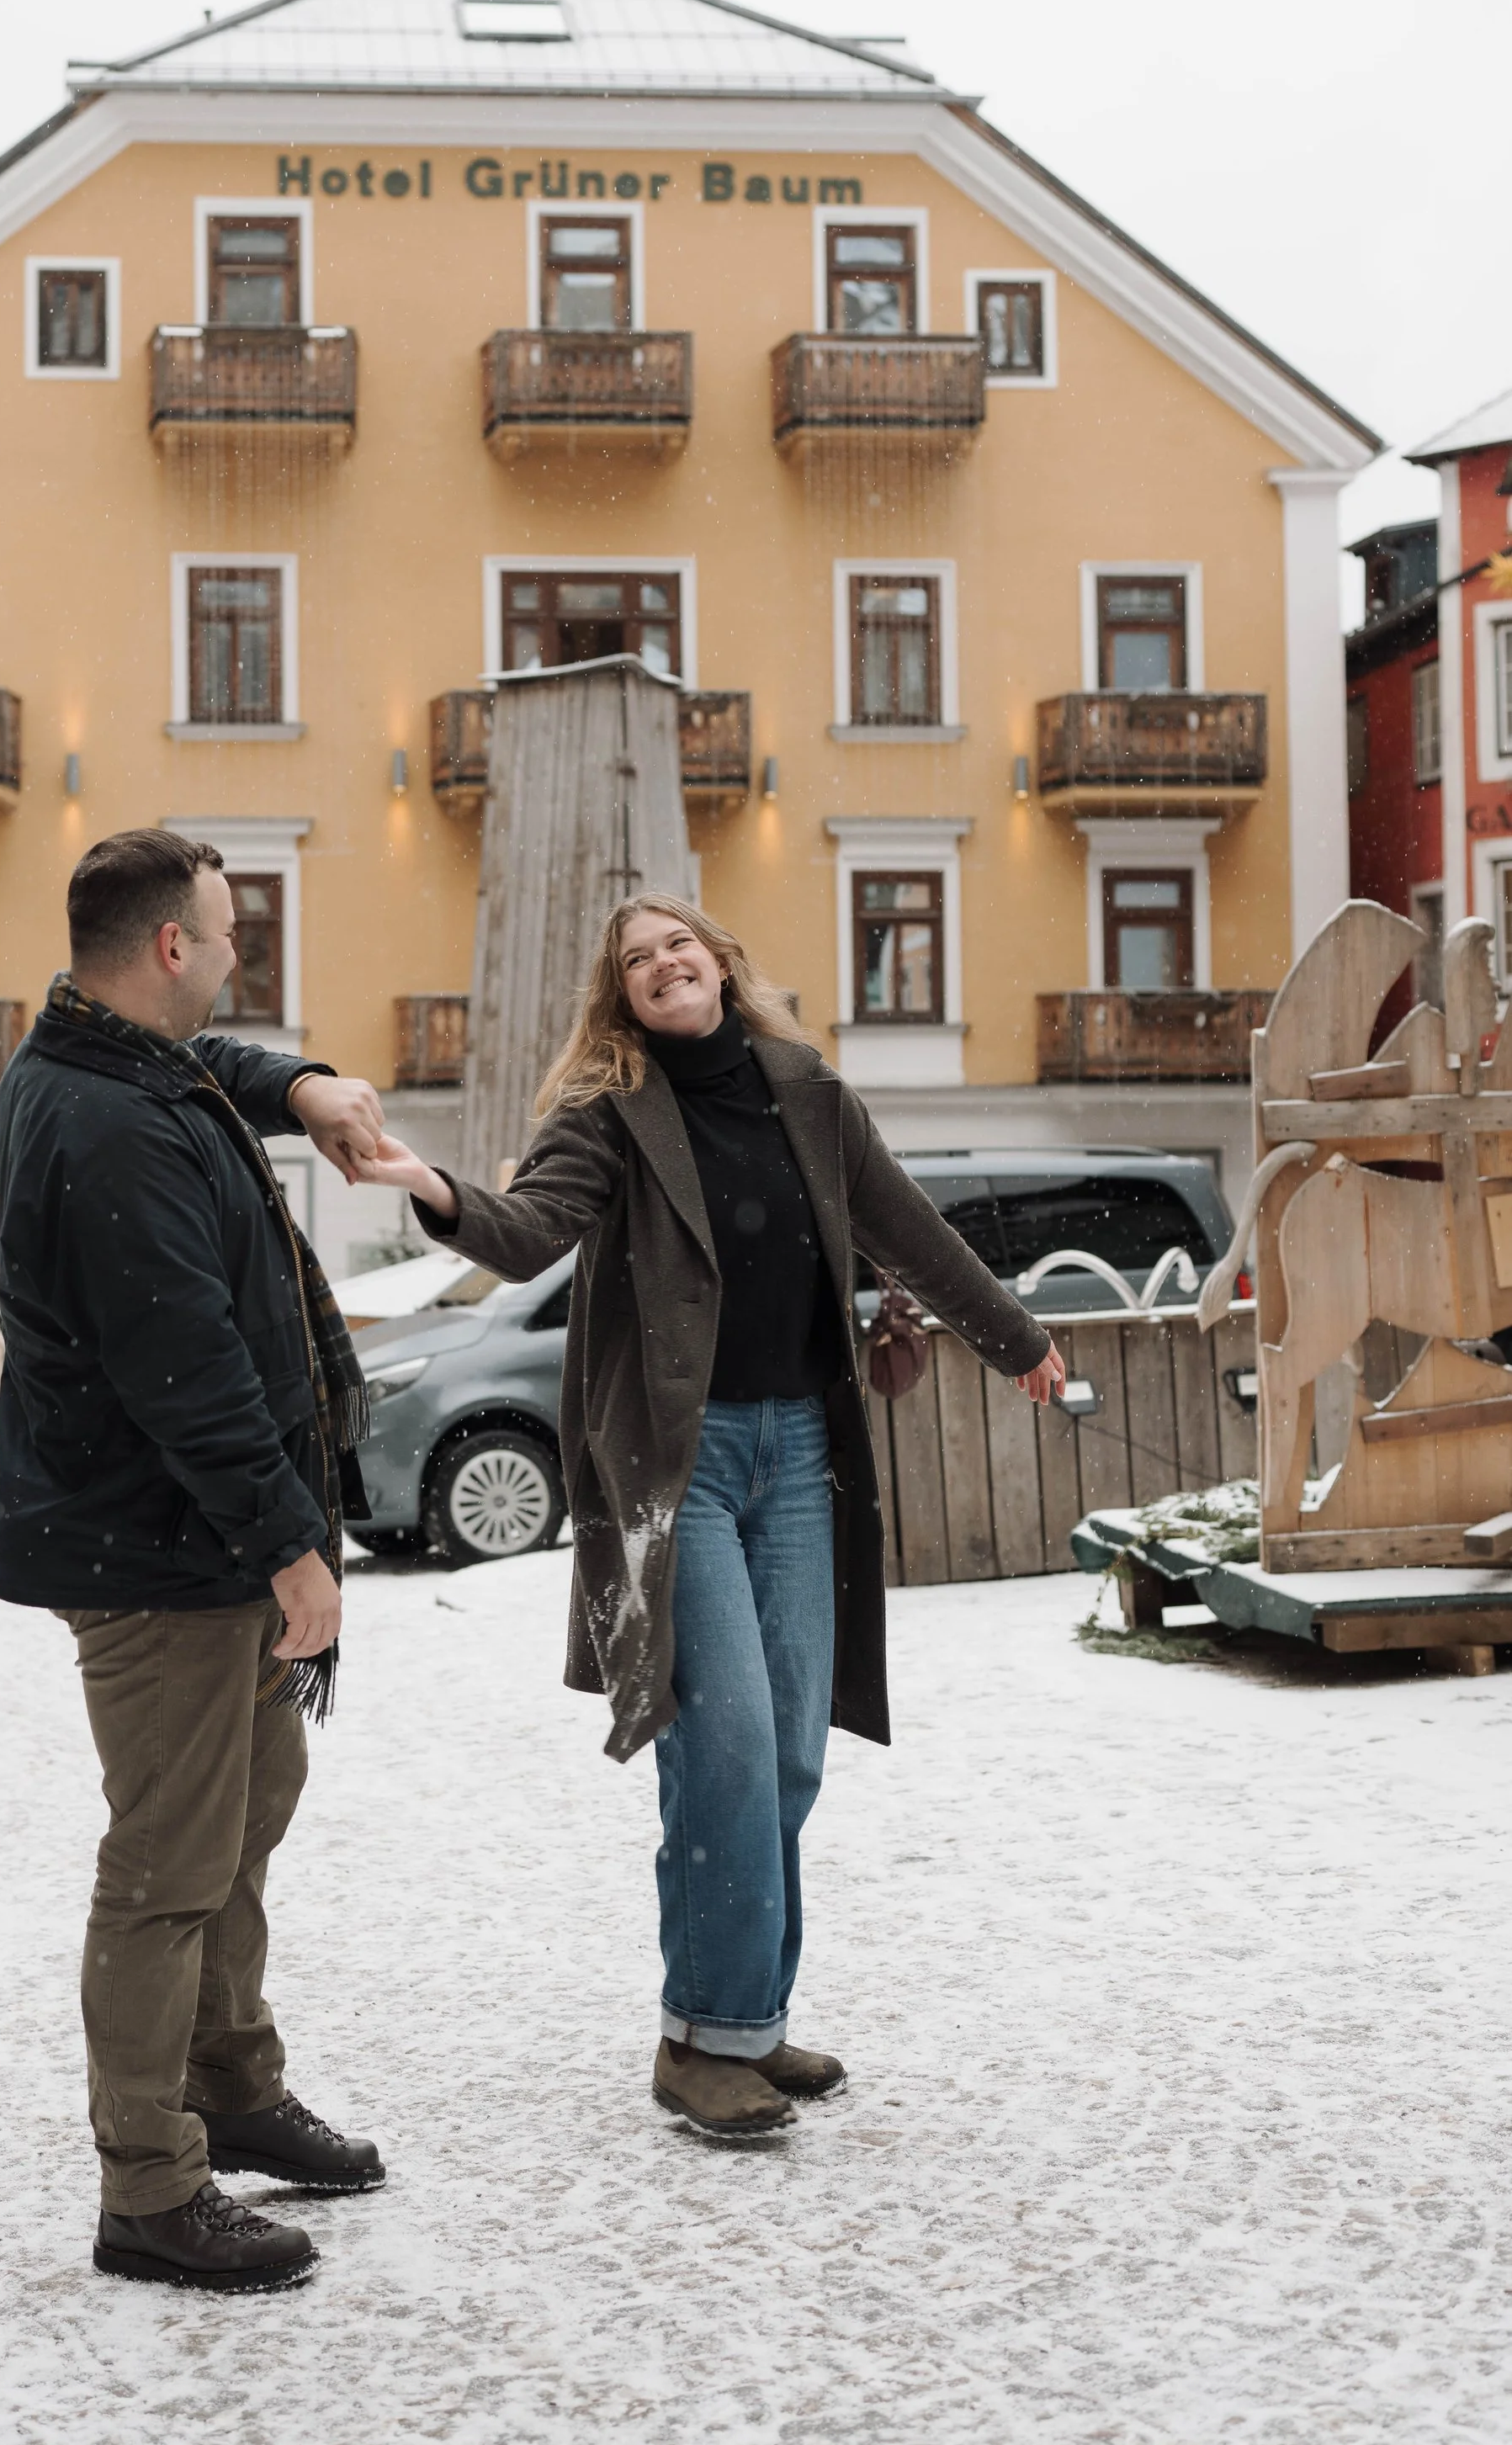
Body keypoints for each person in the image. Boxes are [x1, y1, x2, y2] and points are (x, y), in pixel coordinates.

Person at [358, 892, 1066, 2144]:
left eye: (677, 944)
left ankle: (737, 2017)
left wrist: (1017, 1339)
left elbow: (910, 1230)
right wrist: (432, 1185)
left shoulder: (809, 1093)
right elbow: (529, 1232)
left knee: (788, 1748)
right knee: (725, 1737)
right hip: (674, 1463)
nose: (662, 964)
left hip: (798, 1451)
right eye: (636, 960)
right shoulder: (610, 1115)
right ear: (622, 997)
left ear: (721, 963)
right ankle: (705, 2037)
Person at [0, 828, 387, 2294]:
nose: (233, 954)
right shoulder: (107, 1121)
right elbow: (187, 1369)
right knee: (167, 1865)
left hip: (194, 1540)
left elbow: (212, 1058)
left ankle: (231, 2085)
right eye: (226, 933)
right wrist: (292, 1549)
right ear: (171, 946)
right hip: (162, 1554)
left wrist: (302, 1086)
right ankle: (150, 2188)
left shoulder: (121, 1061)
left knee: (244, 1814)